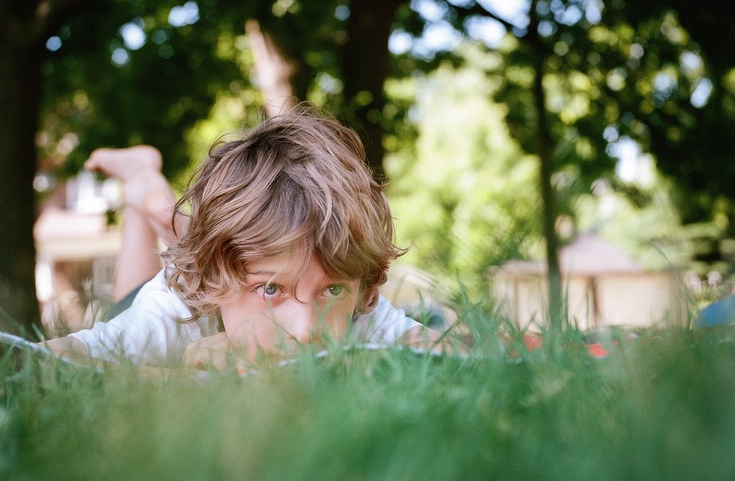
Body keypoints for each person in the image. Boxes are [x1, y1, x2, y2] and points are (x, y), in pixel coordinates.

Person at [43, 108, 458, 371]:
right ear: (213, 284)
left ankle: (161, 209)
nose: (305, 331)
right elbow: (44, 361)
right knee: (135, 291)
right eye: (271, 290)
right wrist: (183, 373)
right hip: (178, 285)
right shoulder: (173, 307)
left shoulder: (359, 308)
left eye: (331, 290)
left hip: (228, 258)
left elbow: (446, 353)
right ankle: (141, 182)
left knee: (205, 236)